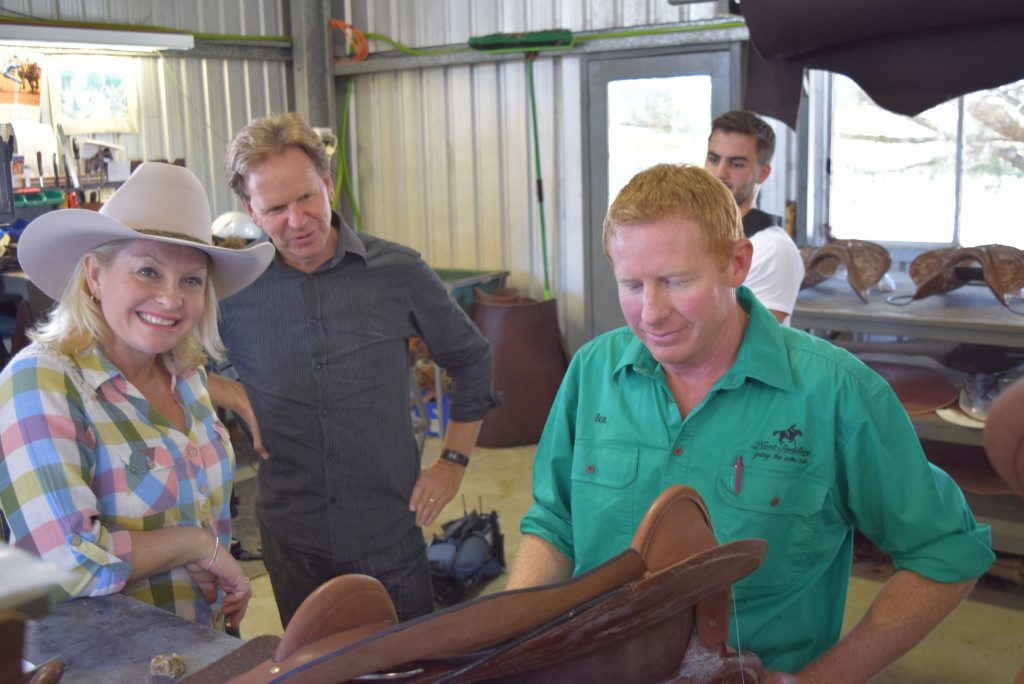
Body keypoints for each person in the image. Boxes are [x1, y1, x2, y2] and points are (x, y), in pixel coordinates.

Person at [507, 163, 993, 679]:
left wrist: (819, 680)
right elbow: (556, 523)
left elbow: (946, 552)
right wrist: (507, 642)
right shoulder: (592, 372)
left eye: (676, 281)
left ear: (737, 264)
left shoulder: (835, 394)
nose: (651, 312)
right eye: (631, 285)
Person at [210, 112, 499, 626]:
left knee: (404, 659)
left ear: (327, 184)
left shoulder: (397, 272)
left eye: (306, 197)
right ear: (250, 209)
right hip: (291, 540)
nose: (297, 221)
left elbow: (472, 358)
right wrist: (234, 395)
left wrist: (452, 461)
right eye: (275, 208)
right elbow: (173, 366)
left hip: (388, 532)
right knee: (313, 663)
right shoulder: (232, 289)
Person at [0, 162, 275, 630]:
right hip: (102, 659)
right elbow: (62, 563)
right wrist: (196, 546)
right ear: (94, 275)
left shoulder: (185, 374)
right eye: (148, 271)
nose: (171, 299)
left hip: (197, 645)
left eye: (192, 280)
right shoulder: (42, 382)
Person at [704, 110, 804, 325]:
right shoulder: (696, 233)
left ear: (763, 173)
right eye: (713, 159)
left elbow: (758, 337)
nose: (719, 172)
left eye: (736, 164)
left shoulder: (773, 249)